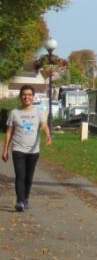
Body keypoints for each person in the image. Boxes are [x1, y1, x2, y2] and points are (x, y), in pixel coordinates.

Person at [2, 84, 51, 212]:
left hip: (33, 151)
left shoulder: (38, 112)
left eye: (29, 95)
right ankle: (19, 201)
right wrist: (5, 149)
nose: (26, 97)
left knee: (29, 177)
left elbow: (44, 126)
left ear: (33, 97)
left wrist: (48, 136)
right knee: (20, 176)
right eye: (24, 94)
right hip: (18, 149)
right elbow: (8, 132)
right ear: (20, 97)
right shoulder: (14, 113)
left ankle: (25, 198)